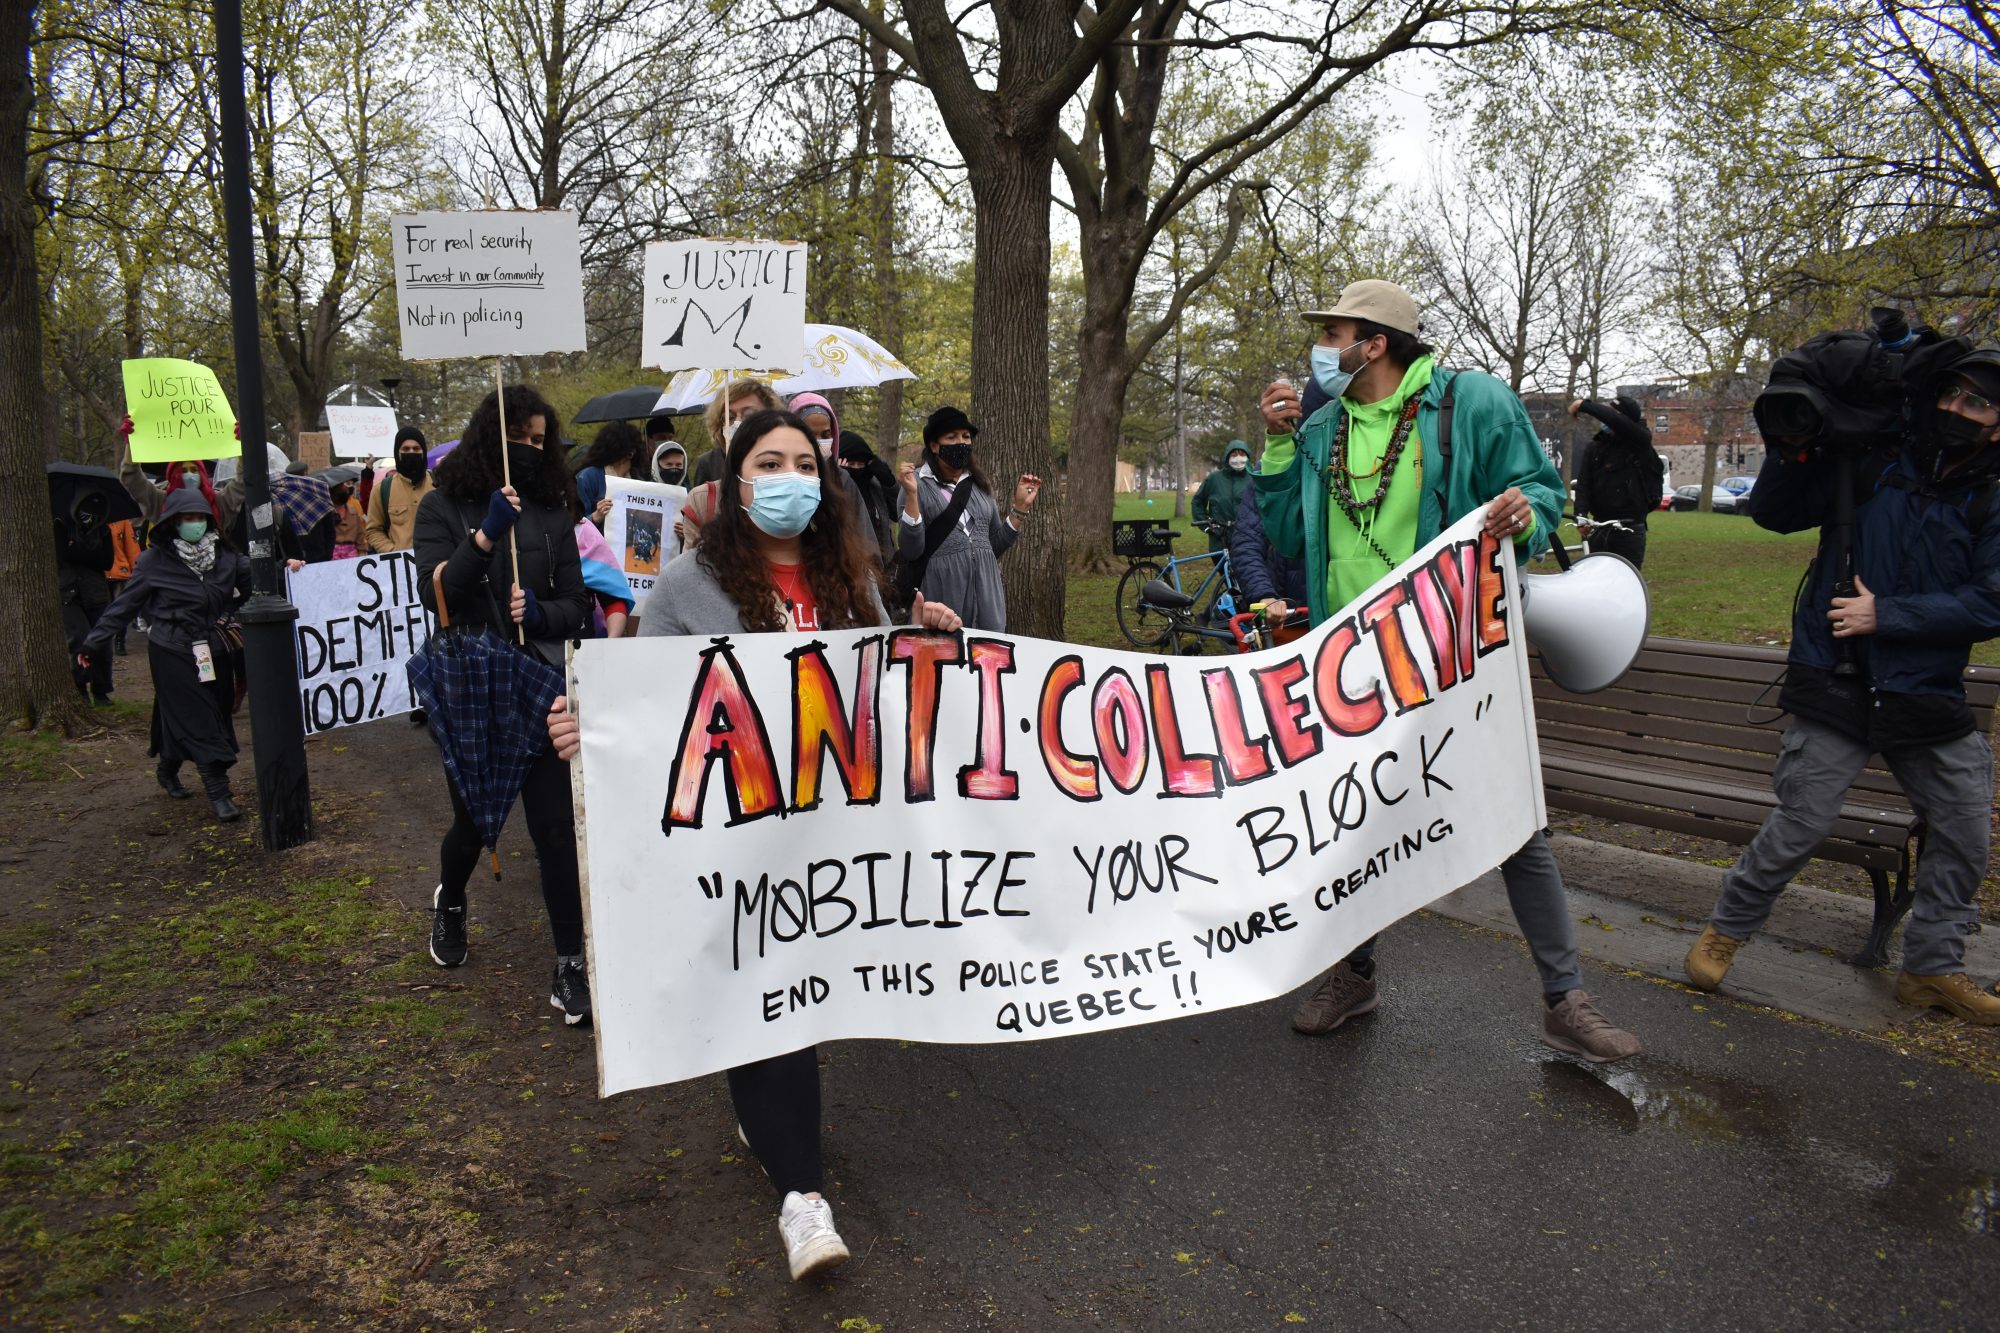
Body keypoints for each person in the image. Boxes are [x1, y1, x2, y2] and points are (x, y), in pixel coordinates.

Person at [547, 408, 963, 1282]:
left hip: (830, 843)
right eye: (768, 461)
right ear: (735, 481)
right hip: (737, 849)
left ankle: (770, 1119)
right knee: (771, 1001)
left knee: (802, 1001)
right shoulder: (690, 586)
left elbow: (887, 686)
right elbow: (644, 701)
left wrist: (938, 643)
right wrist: (592, 725)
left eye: (803, 464)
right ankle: (802, 1199)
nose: (789, 477)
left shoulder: (849, 575)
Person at [1253, 278, 1641, 1062]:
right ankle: (1352, 974)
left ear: (1376, 343)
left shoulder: (1473, 403)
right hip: (1351, 668)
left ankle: (1566, 998)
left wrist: (1527, 513)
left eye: (1333, 332)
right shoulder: (1322, 428)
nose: (1319, 348)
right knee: (1348, 828)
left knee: (1515, 824)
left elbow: (1537, 491)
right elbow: (1292, 536)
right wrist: (1277, 445)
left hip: (1452, 655)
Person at [1685, 342, 2000, 1023]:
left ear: (1998, 423)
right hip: (1837, 674)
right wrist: (1793, 441)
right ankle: (1725, 930)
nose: (1956, 409)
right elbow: (1773, 510)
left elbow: (1992, 600)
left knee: (1966, 827)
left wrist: (1887, 614)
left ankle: (1931, 968)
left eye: (1977, 403)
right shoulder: (1877, 461)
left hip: (1925, 688)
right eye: (1951, 395)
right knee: (1802, 818)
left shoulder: (1991, 497)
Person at [414, 384, 595, 1028]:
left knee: (554, 828)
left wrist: (543, 611)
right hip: (476, 689)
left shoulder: (554, 509)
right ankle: (452, 896)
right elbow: (440, 590)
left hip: (540, 685)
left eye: (541, 440)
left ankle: (570, 961)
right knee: (475, 822)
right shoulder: (440, 507)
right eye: (520, 436)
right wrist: (487, 534)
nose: (532, 449)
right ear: (490, 436)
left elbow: (580, 603)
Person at [78, 490, 299, 820]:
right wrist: (92, 643)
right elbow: (123, 607)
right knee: (198, 718)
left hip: (213, 649)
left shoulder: (225, 556)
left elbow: (258, 574)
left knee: (213, 713)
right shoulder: (152, 562)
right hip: (171, 651)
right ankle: (219, 792)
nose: (193, 524)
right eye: (185, 519)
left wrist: (288, 567)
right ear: (171, 523)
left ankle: (168, 767)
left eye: (199, 518)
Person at [895, 406, 1042, 633]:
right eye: (951, 437)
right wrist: (912, 496)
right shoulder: (916, 484)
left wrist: (1020, 509)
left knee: (987, 661)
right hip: (942, 599)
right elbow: (911, 550)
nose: (961, 442)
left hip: (987, 601)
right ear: (934, 446)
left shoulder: (979, 486)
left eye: (966, 436)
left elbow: (992, 546)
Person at [1569, 395, 1662, 567]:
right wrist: (1580, 515)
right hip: (1599, 526)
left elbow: (1617, 421)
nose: (1605, 419)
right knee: (1596, 579)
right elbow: (1584, 484)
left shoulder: (1640, 441)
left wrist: (1584, 405)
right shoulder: (1595, 447)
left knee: (1628, 579)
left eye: (1611, 414)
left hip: (1630, 529)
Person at [55, 498, 117, 705]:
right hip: (69, 593)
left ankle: (101, 689)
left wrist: (81, 551)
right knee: (78, 639)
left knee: (102, 642)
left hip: (97, 593)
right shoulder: (61, 525)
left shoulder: (103, 530)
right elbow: (64, 554)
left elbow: (107, 561)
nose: (89, 514)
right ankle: (79, 686)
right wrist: (88, 553)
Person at [690, 378, 784, 489]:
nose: (738, 422)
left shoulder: (784, 459)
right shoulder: (708, 463)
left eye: (749, 415)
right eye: (730, 417)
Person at [367, 427, 435, 553]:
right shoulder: (382, 490)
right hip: (400, 568)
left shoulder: (439, 484)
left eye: (416, 449)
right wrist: (394, 552)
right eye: (405, 449)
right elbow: (374, 530)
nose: (411, 452)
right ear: (397, 453)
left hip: (437, 565)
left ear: (423, 451)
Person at [838, 429, 899, 557]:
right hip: (848, 563)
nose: (856, 468)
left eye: (860, 464)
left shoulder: (874, 486)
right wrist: (838, 480)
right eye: (850, 464)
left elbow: (898, 513)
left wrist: (889, 483)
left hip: (882, 562)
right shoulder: (832, 487)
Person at [575, 420, 647, 525]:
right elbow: (574, 525)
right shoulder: (587, 477)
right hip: (598, 540)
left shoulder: (639, 481)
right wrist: (595, 516)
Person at [1192, 441, 1253, 554]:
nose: (1238, 458)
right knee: (1224, 570)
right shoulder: (1214, 479)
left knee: (1247, 569)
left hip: (1249, 540)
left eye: (1242, 454)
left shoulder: (1254, 478)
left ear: (1248, 456)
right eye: (1234, 455)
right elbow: (1198, 502)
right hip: (1220, 540)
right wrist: (1207, 526)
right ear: (1227, 457)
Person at [106, 517, 143, 655]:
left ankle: (119, 640)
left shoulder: (122, 521)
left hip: (119, 573)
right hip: (99, 573)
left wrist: (138, 571)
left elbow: (132, 548)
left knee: (120, 610)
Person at [328, 474, 366, 558]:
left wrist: (363, 553)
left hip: (352, 557)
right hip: (331, 557)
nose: (348, 489)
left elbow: (360, 535)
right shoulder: (326, 512)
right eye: (345, 485)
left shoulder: (353, 510)